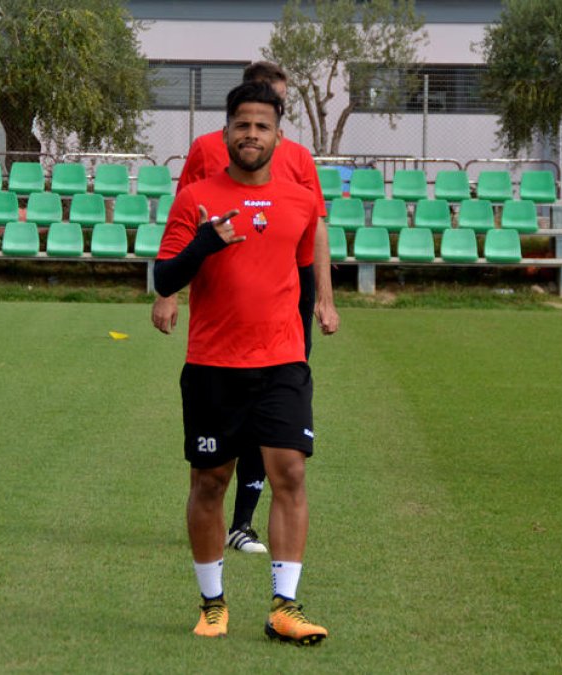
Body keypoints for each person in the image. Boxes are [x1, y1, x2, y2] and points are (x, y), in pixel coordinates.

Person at [154, 80, 328, 645]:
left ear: (279, 135)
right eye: (242, 124)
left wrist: (306, 333)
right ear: (225, 130)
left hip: (281, 361)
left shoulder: (300, 199)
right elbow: (164, 277)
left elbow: (301, 273)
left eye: (262, 125)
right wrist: (205, 242)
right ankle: (212, 605)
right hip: (212, 364)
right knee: (210, 481)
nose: (251, 134)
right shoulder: (195, 197)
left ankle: (285, 606)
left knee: (292, 473)